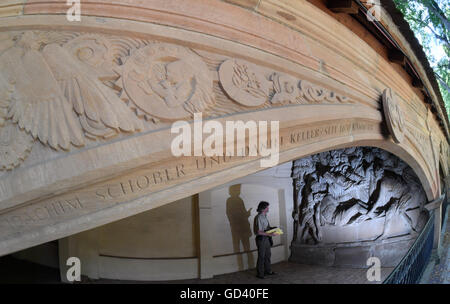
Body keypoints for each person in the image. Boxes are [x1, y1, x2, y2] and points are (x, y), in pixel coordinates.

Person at [253, 201, 276, 279]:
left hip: (266, 239)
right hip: (261, 239)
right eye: (267, 207)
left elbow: (266, 229)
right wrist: (270, 234)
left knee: (267, 255)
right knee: (261, 256)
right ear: (263, 208)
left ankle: (268, 271)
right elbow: (259, 231)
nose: (268, 208)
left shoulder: (264, 216)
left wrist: (274, 229)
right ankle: (260, 274)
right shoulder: (259, 217)